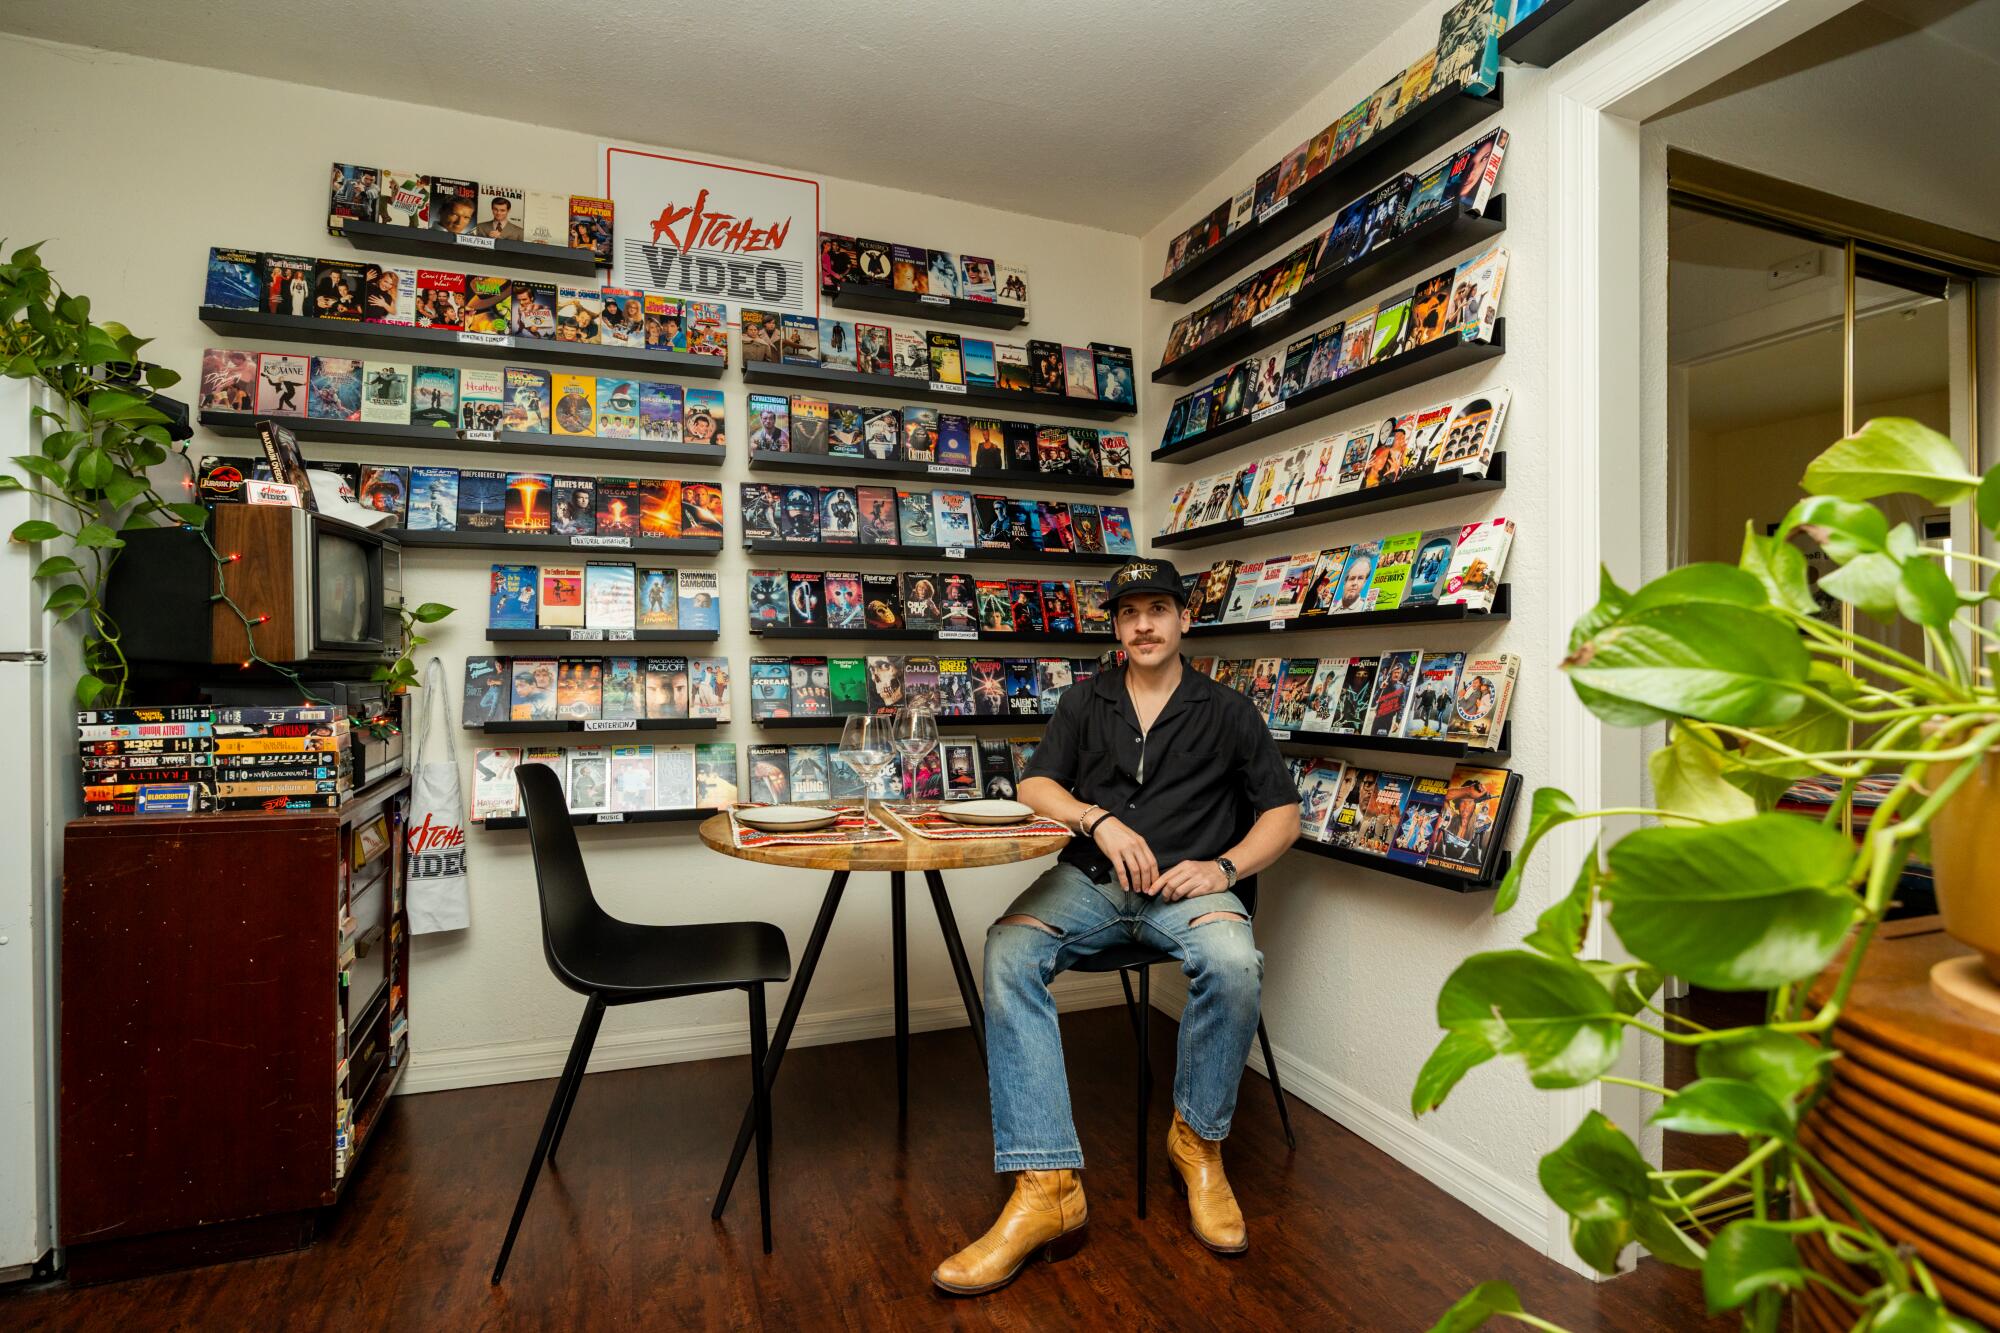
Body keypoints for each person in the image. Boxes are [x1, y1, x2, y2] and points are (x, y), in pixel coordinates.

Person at [933, 557, 1301, 1296]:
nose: (1143, 624)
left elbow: (1282, 814)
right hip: (1092, 884)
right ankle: (1048, 1186)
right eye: (1129, 612)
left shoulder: (1230, 709)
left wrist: (1224, 869)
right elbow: (1036, 782)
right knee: (1008, 950)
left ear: (1184, 618)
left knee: (1234, 963)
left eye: (1158, 609)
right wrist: (1094, 820)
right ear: (1115, 626)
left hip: (1187, 891)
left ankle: (1197, 1143)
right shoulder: (1084, 701)